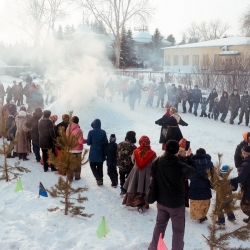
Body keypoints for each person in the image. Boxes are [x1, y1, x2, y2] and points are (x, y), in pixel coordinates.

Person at [148, 140, 196, 250]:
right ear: (177, 151)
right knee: (178, 231)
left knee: (159, 226)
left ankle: (153, 247)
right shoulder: (179, 166)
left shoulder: (157, 161)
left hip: (161, 201)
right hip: (176, 204)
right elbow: (192, 172)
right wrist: (189, 158)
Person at [123, 136, 156, 211]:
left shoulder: (135, 152)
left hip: (136, 172)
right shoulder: (152, 154)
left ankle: (135, 201)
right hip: (147, 173)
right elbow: (154, 164)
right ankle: (143, 203)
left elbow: (133, 160)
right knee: (144, 188)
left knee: (135, 186)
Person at [188, 148, 213, 223]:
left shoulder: (193, 162)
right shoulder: (209, 163)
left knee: (195, 200)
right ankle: (202, 215)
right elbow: (213, 174)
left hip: (195, 182)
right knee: (204, 199)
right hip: (205, 183)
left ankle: (196, 215)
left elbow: (188, 171)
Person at [230, 145, 250, 224]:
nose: (241, 153)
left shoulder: (246, 165)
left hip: (248, 188)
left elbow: (241, 177)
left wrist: (232, 180)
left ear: (245, 154)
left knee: (244, 206)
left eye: (243, 152)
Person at [87, 119, 108, 185]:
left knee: (92, 165)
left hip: (93, 152)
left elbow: (88, 143)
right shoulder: (103, 132)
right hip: (100, 151)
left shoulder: (90, 132)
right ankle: (100, 180)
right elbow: (106, 142)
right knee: (100, 166)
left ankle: (98, 179)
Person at [66, 116, 87, 181]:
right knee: (77, 164)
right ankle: (77, 177)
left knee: (70, 164)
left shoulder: (68, 128)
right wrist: (86, 140)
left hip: (70, 149)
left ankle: (69, 178)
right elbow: (80, 141)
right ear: (78, 121)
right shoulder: (79, 130)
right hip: (77, 150)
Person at [178, 138, 193, 208]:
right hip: (185, 177)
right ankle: (184, 203)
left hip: (177, 177)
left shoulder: (176, 153)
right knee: (185, 190)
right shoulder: (189, 154)